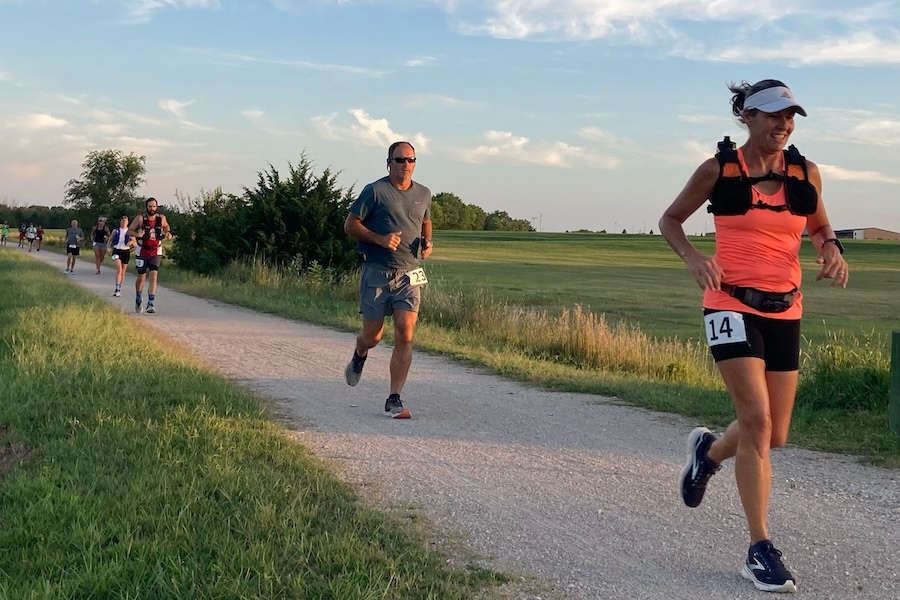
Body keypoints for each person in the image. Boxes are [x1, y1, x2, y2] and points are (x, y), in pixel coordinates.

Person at [659, 79, 849, 594]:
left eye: (790, 117)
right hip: (729, 303)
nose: (782, 125)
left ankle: (709, 453)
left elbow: (819, 226)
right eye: (772, 116)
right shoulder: (719, 170)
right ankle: (759, 548)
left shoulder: (804, 172)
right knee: (757, 420)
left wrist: (830, 248)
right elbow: (671, 219)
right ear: (746, 116)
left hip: (785, 307)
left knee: (776, 433)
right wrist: (695, 258)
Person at [343, 141, 433, 419]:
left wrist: (428, 241)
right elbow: (350, 225)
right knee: (374, 336)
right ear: (389, 163)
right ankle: (360, 351)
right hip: (377, 273)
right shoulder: (375, 191)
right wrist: (380, 239)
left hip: (410, 273)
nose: (405, 165)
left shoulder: (424, 193)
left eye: (410, 160)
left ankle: (394, 398)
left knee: (405, 335)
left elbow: (425, 220)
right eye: (399, 160)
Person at [127, 197, 171, 314]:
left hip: (156, 251)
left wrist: (167, 232)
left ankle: (150, 303)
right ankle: (138, 298)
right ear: (146, 207)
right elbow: (129, 231)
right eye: (150, 206)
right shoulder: (140, 218)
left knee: (153, 276)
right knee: (141, 277)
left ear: (157, 207)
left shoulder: (161, 218)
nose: (152, 209)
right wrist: (137, 234)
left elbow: (166, 226)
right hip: (142, 251)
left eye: (154, 206)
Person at [107, 215, 136, 297]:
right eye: (122, 221)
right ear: (120, 222)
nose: (124, 222)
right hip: (116, 250)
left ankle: (119, 287)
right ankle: (117, 288)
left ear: (128, 223)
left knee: (123, 271)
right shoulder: (116, 231)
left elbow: (135, 243)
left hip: (125, 251)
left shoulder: (130, 232)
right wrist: (108, 247)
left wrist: (131, 243)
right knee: (119, 269)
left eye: (125, 221)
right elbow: (110, 240)